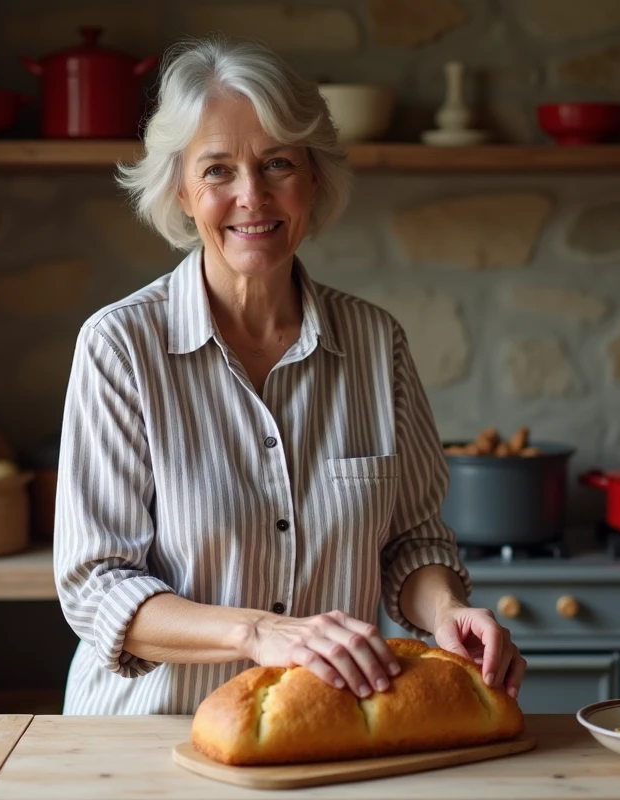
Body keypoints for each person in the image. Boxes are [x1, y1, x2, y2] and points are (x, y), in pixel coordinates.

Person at [53, 36, 526, 716]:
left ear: (313, 178)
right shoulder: (121, 346)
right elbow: (97, 586)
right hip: (147, 739)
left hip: (314, 733)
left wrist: (447, 608)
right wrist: (258, 633)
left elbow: (413, 542)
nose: (252, 196)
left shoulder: (375, 343)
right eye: (218, 170)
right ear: (182, 190)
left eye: (277, 163)